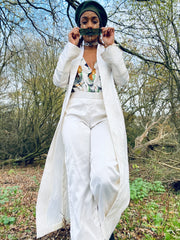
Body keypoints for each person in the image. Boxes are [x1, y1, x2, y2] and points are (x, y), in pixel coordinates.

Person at [36, 1, 130, 240]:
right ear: (78, 25)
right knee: (78, 180)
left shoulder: (108, 51)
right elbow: (58, 80)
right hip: (75, 116)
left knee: (104, 176)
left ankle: (102, 226)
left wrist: (111, 48)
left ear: (101, 25)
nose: (89, 24)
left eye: (94, 21)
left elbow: (123, 80)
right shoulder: (72, 51)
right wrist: (69, 48)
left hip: (103, 116)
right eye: (84, 21)